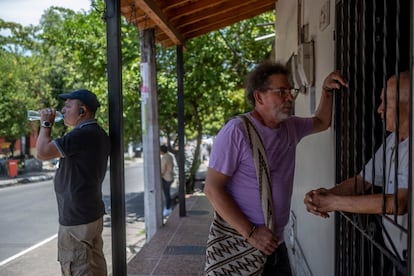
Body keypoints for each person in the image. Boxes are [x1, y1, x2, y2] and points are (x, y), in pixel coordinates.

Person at [204, 61, 348, 275]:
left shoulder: (290, 127)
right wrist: (251, 233)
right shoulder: (237, 131)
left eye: (290, 91)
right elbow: (212, 189)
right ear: (259, 97)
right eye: (281, 91)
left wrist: (326, 90)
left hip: (275, 243)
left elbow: (321, 121)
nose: (289, 97)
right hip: (244, 243)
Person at [304, 72, 409, 274]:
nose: (379, 109)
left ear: (407, 105)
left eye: (384, 103)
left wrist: (333, 202)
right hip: (393, 253)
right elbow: (362, 180)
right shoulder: (393, 140)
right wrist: (323, 195)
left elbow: (398, 203)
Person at [36, 89, 110, 276]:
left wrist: (46, 124)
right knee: (94, 265)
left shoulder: (82, 135)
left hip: (76, 219)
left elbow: (42, 152)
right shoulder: (96, 133)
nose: (63, 109)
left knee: (77, 267)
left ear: (82, 111)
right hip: (89, 213)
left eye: (69, 106)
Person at [160, 144, 175, 217]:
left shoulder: (164, 158)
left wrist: (159, 175)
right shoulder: (170, 156)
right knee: (168, 193)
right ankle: (169, 208)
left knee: (166, 194)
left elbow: (163, 169)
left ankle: (168, 209)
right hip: (171, 176)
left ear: (161, 151)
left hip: (166, 178)